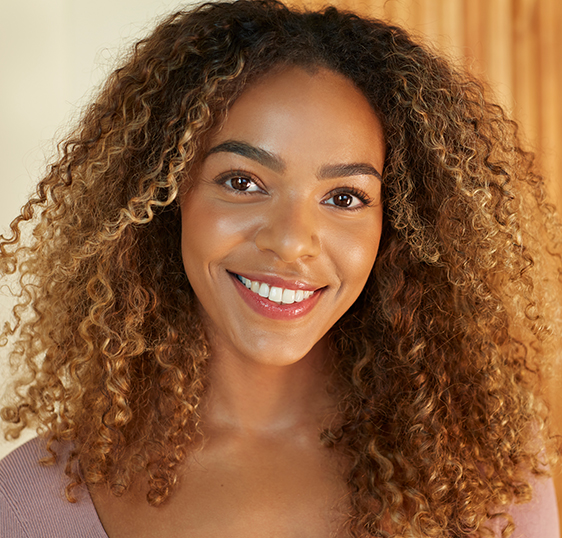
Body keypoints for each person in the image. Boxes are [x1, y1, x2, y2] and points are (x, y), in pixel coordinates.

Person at [0, 0, 560, 536]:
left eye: (345, 197)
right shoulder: (29, 503)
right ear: (163, 202)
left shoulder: (485, 467)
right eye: (243, 182)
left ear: (401, 228)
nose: (292, 242)